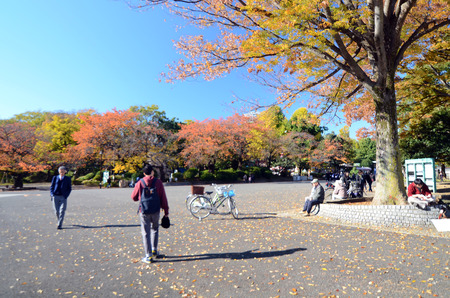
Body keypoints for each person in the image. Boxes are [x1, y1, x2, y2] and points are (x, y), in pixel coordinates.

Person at [131, 165, 169, 264]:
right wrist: (166, 211)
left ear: (144, 173)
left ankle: (148, 256)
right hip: (156, 210)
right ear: (152, 172)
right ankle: (154, 250)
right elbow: (163, 197)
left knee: (145, 232)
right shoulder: (158, 182)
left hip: (144, 210)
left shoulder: (140, 183)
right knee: (155, 229)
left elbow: (133, 197)